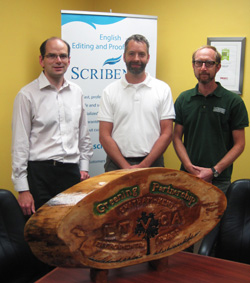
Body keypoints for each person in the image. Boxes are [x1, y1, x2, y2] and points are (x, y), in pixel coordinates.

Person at [12, 37, 93, 216]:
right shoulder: (26, 95)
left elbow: (83, 134)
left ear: (69, 60)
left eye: (63, 56)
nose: (58, 61)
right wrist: (23, 189)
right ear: (42, 60)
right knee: (42, 232)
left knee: (72, 228)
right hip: (40, 175)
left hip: (71, 172)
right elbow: (20, 144)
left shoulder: (76, 92)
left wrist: (84, 167)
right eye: (52, 56)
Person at [173, 45, 249, 194]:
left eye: (209, 63)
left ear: (218, 67)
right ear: (193, 66)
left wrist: (214, 171)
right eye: (198, 63)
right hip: (188, 176)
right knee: (186, 217)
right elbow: (176, 137)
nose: (203, 68)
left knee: (217, 218)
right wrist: (189, 167)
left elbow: (239, 144)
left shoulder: (233, 101)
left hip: (219, 180)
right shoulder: (183, 99)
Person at [98, 34, 175, 171]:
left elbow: (167, 133)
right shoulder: (109, 91)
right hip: (116, 164)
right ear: (124, 56)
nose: (136, 59)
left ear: (148, 58)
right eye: (131, 54)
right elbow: (104, 136)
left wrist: (144, 165)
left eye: (141, 54)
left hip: (153, 164)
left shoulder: (163, 89)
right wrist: (125, 166)